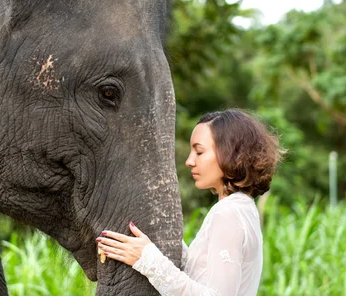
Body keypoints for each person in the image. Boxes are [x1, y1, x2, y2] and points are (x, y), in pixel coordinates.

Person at [97, 109, 284, 295]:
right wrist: (157, 240)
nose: (189, 161)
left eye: (199, 152)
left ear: (231, 154)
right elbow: (202, 275)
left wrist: (148, 260)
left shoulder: (228, 213)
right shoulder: (244, 209)